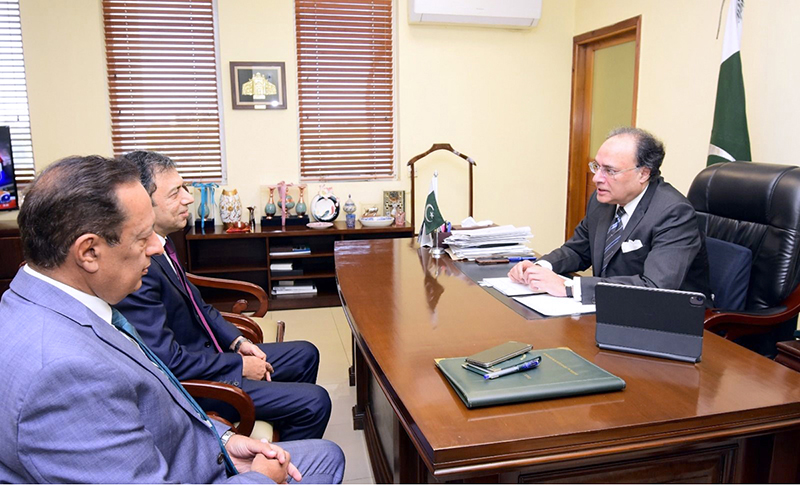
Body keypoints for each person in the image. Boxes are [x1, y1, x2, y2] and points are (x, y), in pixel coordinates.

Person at [0, 155, 345, 483]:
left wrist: (221, 440)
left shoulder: (51, 302)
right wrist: (260, 478)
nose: (155, 247)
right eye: (141, 237)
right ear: (89, 252)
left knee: (327, 455)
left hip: (194, 449)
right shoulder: (63, 374)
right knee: (322, 454)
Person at [115, 151, 331, 442]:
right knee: (315, 401)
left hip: (212, 356)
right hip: (199, 382)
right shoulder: (138, 268)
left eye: (184, 188)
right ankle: (281, 463)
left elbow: (199, 307)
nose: (188, 198)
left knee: (305, 354)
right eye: (175, 192)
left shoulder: (163, 245)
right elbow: (167, 360)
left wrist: (238, 341)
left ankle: (281, 427)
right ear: (142, 203)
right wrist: (239, 365)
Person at [510, 127, 711, 304]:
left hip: (667, 320)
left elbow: (655, 287)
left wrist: (569, 287)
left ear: (644, 174)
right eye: (596, 167)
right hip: (611, 307)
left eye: (610, 171)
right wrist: (540, 268)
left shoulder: (673, 212)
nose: (597, 178)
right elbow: (578, 251)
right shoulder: (602, 201)